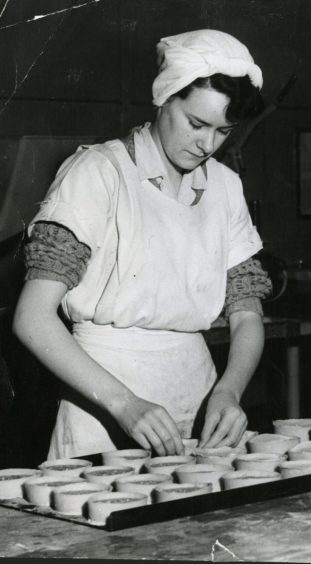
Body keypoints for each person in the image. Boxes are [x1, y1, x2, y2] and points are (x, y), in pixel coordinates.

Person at [13, 29, 272, 459]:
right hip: (103, 403)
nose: (207, 145)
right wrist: (124, 404)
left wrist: (229, 391)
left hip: (199, 396)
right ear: (164, 97)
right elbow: (31, 318)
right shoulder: (98, 173)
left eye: (223, 131)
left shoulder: (226, 187)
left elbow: (247, 314)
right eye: (196, 124)